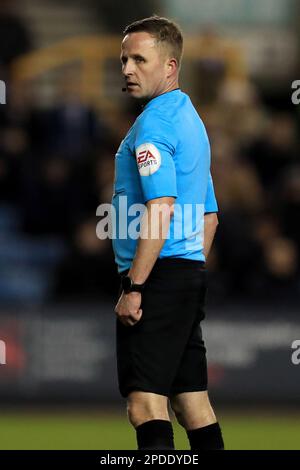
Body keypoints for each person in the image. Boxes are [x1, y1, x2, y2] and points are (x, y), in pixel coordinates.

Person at [112, 15, 224, 450]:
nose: (127, 69)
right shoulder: (191, 122)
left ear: (170, 66)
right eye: (124, 59)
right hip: (184, 272)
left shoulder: (154, 126)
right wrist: (188, 271)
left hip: (156, 277)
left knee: (145, 406)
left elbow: (160, 207)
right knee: (192, 404)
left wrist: (135, 285)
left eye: (140, 59)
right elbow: (209, 218)